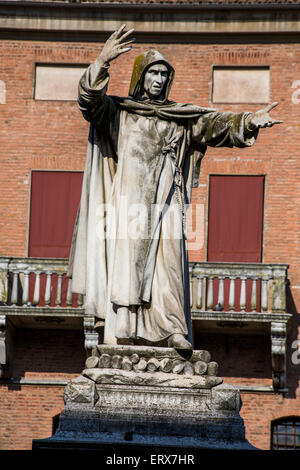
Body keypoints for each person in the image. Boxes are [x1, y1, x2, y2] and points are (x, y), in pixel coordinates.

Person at [68, 25, 282, 351]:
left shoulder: (178, 118)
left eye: (164, 76)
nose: (159, 80)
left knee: (169, 262)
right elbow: (89, 101)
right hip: (130, 201)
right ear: (141, 78)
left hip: (169, 197)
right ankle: (124, 327)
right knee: (130, 264)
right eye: (153, 74)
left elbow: (214, 126)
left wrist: (250, 120)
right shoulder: (120, 113)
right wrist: (102, 61)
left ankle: (173, 330)